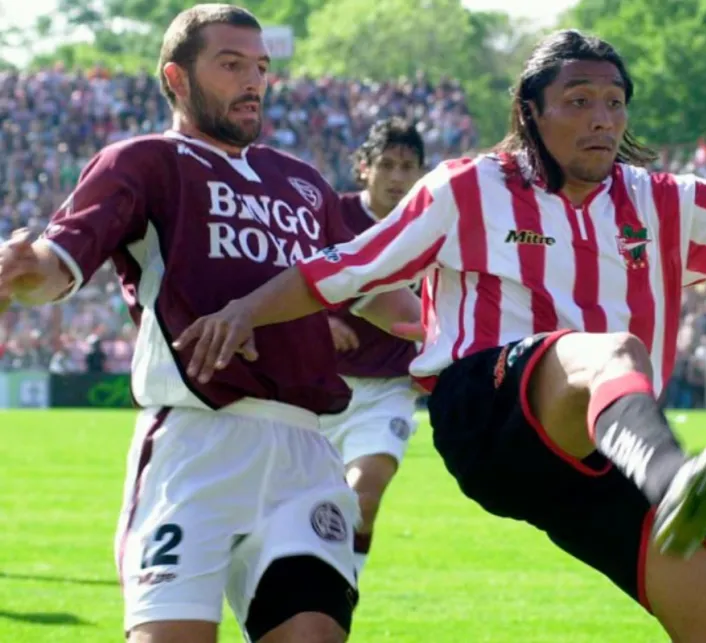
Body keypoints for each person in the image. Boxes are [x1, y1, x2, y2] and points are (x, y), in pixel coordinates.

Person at [173, 30, 706, 641]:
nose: (601, 118)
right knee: (606, 350)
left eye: (613, 102)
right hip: (488, 415)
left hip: (606, 448)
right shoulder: (468, 190)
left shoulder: (664, 202)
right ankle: (679, 478)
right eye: (577, 102)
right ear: (531, 114)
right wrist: (243, 310)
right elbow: (341, 269)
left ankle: (670, 484)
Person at [0, 5, 415, 643]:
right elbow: (59, 265)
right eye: (230, 65)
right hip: (196, 447)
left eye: (261, 68)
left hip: (306, 454)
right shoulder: (141, 162)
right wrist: (23, 271)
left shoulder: (304, 185)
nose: (253, 81)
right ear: (177, 76)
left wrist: (477, 319)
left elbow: (381, 299)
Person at [323, 117, 425, 577]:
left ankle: (343, 585)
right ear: (362, 167)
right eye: (387, 165)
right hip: (318, 387)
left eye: (408, 166)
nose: (398, 178)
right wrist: (318, 321)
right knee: (299, 507)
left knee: (364, 495)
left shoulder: (434, 225)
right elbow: (281, 278)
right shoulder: (330, 215)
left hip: (389, 390)